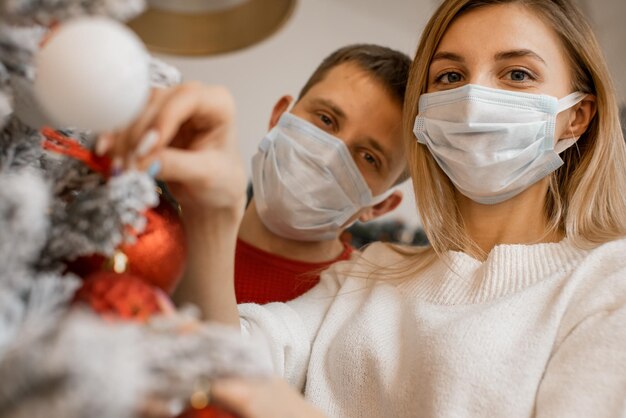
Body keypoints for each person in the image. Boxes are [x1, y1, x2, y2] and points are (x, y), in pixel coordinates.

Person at [103, 0, 626, 416]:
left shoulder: (607, 284)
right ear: (426, 120)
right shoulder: (372, 274)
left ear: (575, 118)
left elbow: (260, 397)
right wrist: (213, 214)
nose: (472, 101)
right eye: (449, 77)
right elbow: (231, 358)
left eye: (516, 75)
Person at [233, 45, 410, 304]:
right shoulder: (171, 230)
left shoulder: (354, 310)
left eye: (369, 157)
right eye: (326, 120)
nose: (328, 159)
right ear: (279, 116)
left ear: (380, 206)